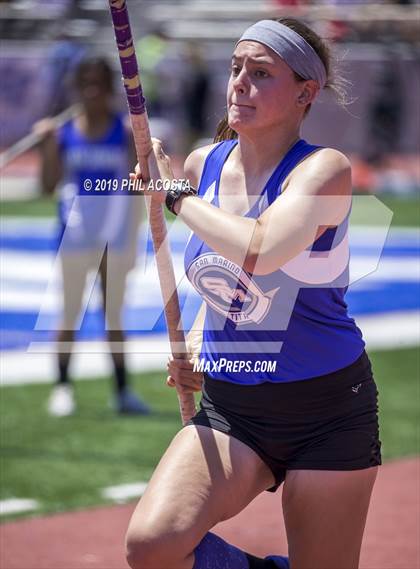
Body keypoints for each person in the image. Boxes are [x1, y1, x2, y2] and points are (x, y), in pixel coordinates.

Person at [126, 18, 381, 569]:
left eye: (261, 73)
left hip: (328, 408)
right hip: (234, 406)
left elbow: (262, 250)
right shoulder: (204, 165)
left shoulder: (323, 171)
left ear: (304, 94)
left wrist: (173, 196)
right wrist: (197, 341)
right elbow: (219, 279)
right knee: (152, 547)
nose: (239, 82)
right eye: (236, 68)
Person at [34, 57, 151, 417]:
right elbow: (47, 185)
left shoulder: (123, 133)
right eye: (85, 83)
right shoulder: (64, 132)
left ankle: (122, 391)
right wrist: (46, 146)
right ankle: (63, 387)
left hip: (113, 238)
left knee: (113, 315)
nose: (91, 90)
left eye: (98, 82)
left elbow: (138, 188)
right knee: (69, 312)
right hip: (74, 236)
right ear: (76, 88)